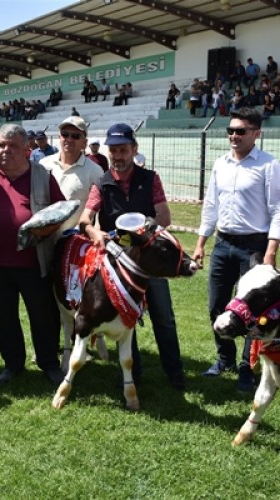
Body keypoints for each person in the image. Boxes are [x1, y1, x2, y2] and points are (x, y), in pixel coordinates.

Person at [77, 123, 187, 391]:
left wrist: (138, 231)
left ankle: (175, 373)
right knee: (126, 317)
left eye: (123, 149)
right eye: (113, 150)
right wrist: (94, 232)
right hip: (118, 266)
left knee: (164, 317)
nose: (118, 155)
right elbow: (85, 219)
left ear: (134, 149)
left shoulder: (150, 179)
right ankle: (133, 374)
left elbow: (164, 217)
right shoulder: (102, 183)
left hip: (149, 263)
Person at [193, 108, 280, 392]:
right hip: (223, 244)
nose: (234, 136)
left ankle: (248, 366)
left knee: (252, 311)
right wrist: (200, 243)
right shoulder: (220, 164)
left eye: (241, 131)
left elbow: (278, 210)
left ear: (256, 133)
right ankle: (224, 359)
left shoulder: (269, 165)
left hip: (254, 247)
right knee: (216, 306)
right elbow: (210, 206)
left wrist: (270, 252)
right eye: (230, 130)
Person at [0, 123, 66, 385]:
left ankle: (48, 362)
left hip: (34, 263)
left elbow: (61, 211)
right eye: (1, 145)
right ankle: (13, 363)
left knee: (43, 316)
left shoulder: (43, 175)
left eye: (12, 145)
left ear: (27, 149)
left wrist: (45, 230)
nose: (5, 151)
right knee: (4, 317)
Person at [40, 116, 103, 232]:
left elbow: (99, 209)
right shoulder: (43, 164)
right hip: (43, 240)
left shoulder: (95, 171)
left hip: (73, 243)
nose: (69, 139)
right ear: (59, 137)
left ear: (84, 143)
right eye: (65, 134)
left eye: (75, 136)